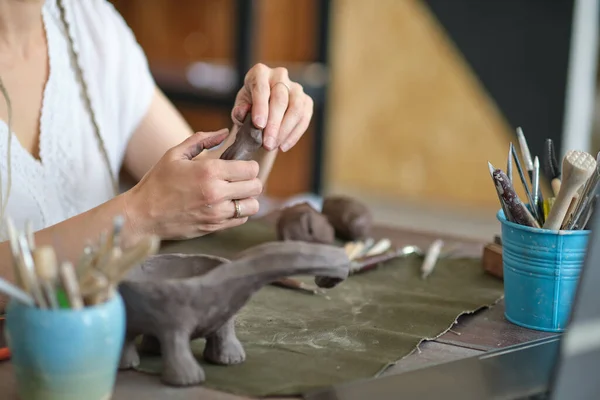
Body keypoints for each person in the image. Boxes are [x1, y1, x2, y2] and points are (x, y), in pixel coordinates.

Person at [0, 0, 314, 307]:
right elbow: (158, 205)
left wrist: (258, 126)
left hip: (105, 334)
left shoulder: (90, 24)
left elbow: (204, 191)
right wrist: (138, 215)